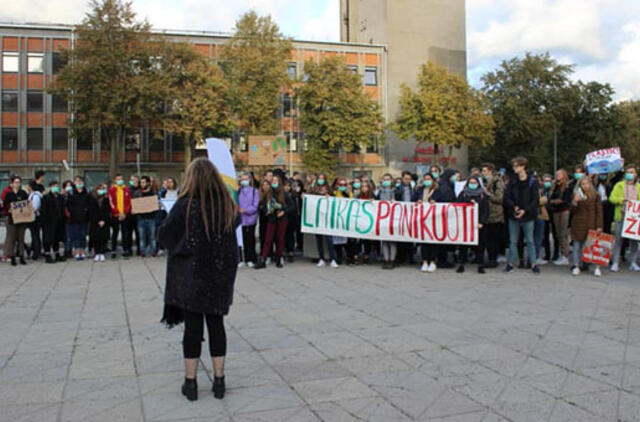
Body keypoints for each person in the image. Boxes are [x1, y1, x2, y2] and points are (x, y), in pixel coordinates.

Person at [159, 157, 239, 402]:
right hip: (218, 274)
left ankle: (191, 382)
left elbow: (165, 236)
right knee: (216, 325)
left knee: (192, 328)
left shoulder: (185, 205)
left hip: (192, 275)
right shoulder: (226, 204)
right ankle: (219, 380)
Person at [504, 157, 540, 274]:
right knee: (513, 240)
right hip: (514, 214)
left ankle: (533, 263)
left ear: (523, 166)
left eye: (516, 166)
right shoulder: (512, 181)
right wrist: (514, 207)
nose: (514, 168)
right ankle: (511, 263)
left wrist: (525, 210)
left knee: (530, 240)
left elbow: (535, 200)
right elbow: (507, 197)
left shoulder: (532, 182)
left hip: (528, 215)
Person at [254, 175, 294, 269]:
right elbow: (261, 205)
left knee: (280, 239)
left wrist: (283, 210)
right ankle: (263, 259)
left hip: (282, 219)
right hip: (271, 219)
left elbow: (292, 206)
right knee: (268, 239)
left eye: (276, 180)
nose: (274, 182)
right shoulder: (268, 193)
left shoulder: (284, 193)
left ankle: (279, 258)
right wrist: (267, 210)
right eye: (272, 181)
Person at [570, 176, 603, 276]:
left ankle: (596, 267)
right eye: (583, 184)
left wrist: (599, 225)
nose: (585, 186)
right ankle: (576, 265)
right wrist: (575, 202)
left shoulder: (596, 195)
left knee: (592, 246)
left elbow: (599, 211)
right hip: (578, 223)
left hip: (591, 223)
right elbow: (572, 211)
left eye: (587, 184)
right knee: (576, 246)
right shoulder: (576, 195)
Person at [609, 164, 640, 272]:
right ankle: (615, 262)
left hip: (634, 217)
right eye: (628, 172)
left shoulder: (638, 187)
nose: (629, 174)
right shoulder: (619, 185)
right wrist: (622, 200)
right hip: (620, 215)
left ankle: (633, 262)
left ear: (636, 174)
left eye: (632, 172)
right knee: (618, 239)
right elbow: (612, 198)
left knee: (634, 241)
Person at [456, 176, 490, 273]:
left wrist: (481, 222)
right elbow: (457, 206)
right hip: (465, 223)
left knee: (480, 245)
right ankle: (461, 264)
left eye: (475, 182)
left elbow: (486, 210)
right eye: (471, 182)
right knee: (463, 245)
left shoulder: (482, 195)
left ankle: (480, 264)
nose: (472, 184)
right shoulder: (463, 194)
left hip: (478, 224)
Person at [481, 163, 504, 268]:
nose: (483, 173)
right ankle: (489, 258)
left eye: (484, 171)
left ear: (490, 171)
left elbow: (500, 198)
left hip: (495, 214)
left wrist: (488, 194)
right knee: (487, 238)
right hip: (485, 214)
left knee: (493, 238)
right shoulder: (483, 182)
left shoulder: (497, 182)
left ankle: (493, 259)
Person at [414, 173, 438, 272]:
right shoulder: (419, 189)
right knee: (423, 240)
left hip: (434, 218)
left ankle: (432, 261)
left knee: (433, 240)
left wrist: (435, 201)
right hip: (422, 218)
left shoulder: (437, 190)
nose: (427, 181)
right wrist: (418, 200)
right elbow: (413, 199)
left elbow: (442, 200)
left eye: (429, 179)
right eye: (425, 179)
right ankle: (424, 261)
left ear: (433, 180)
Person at [3, 176, 28, 266]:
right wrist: (9, 209)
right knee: (12, 239)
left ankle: (21, 256)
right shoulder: (9, 194)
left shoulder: (23, 193)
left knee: (21, 239)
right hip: (12, 219)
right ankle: (12, 256)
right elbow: (5, 205)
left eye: (19, 182)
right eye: (16, 182)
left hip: (22, 219)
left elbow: (27, 204)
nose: (17, 184)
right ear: (12, 184)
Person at [549, 169, 572, 266]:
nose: (558, 176)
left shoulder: (567, 186)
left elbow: (565, 200)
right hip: (556, 211)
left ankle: (565, 255)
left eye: (560, 174)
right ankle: (561, 253)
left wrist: (555, 201)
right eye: (557, 174)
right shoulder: (555, 186)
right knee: (558, 234)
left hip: (563, 211)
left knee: (563, 234)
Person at [313, 183, 338, 268]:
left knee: (329, 240)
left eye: (324, 189)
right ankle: (321, 259)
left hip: (328, 222)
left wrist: (330, 198)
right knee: (319, 240)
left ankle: (332, 259)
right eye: (321, 189)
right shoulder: (315, 197)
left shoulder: (331, 197)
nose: (322, 191)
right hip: (318, 222)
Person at [108, 174, 133, 258]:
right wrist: (117, 213)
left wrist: (125, 213)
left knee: (125, 232)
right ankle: (113, 250)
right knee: (115, 232)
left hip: (125, 215)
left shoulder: (126, 189)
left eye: (121, 179)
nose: (120, 181)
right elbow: (111, 203)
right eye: (118, 179)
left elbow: (129, 202)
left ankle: (125, 249)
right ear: (115, 180)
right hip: (115, 215)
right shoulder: (112, 190)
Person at [66, 176, 91, 260]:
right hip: (74, 217)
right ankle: (77, 251)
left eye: (80, 181)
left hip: (85, 217)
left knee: (83, 234)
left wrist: (86, 210)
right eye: (76, 181)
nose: (78, 183)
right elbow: (68, 205)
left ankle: (83, 250)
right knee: (76, 235)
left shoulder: (87, 192)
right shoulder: (71, 193)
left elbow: (89, 203)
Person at [41, 181, 66, 263]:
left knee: (57, 238)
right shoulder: (46, 197)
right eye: (54, 186)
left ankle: (57, 253)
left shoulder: (60, 197)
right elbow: (43, 210)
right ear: (50, 187)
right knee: (48, 239)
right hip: (49, 221)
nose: (56, 187)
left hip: (59, 221)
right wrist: (44, 221)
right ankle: (47, 254)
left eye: (57, 186)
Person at [238, 172, 259, 267]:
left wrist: (246, 210)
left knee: (250, 239)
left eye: (246, 179)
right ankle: (241, 258)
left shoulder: (254, 191)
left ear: (250, 180)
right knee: (241, 239)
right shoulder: (238, 191)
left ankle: (250, 258)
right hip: (240, 219)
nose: (244, 181)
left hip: (250, 218)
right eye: (242, 179)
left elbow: (255, 205)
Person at [377, 173, 398, 269]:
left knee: (392, 240)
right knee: (384, 240)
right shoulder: (379, 191)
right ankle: (386, 259)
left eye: (388, 179)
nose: (386, 181)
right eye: (384, 179)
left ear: (391, 180)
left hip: (393, 218)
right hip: (382, 218)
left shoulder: (396, 191)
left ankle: (392, 260)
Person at [134, 176, 158, 257]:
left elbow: (156, 205)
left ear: (148, 183)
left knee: (152, 237)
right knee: (142, 237)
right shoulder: (137, 193)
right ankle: (142, 252)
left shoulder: (153, 193)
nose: (142, 184)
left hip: (151, 218)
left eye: (144, 182)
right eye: (141, 183)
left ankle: (154, 251)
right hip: (141, 218)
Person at [89, 184, 111, 262]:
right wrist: (97, 220)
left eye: (103, 189)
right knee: (95, 238)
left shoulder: (106, 199)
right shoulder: (92, 199)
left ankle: (102, 253)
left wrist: (104, 220)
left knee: (103, 238)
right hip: (95, 222)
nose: (101, 190)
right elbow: (91, 211)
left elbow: (108, 211)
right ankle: (97, 253)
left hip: (104, 222)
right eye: (100, 188)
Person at [26, 181, 43, 260]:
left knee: (35, 235)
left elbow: (35, 207)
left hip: (35, 218)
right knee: (34, 235)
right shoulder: (31, 195)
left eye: (28, 185)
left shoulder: (35, 196)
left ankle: (36, 252)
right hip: (32, 217)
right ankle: (35, 250)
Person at [61, 180, 74, 258]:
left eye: (70, 185)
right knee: (66, 235)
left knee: (71, 235)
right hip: (64, 218)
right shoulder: (62, 196)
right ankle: (66, 250)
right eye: (67, 185)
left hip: (72, 217)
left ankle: (70, 250)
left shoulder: (73, 195)